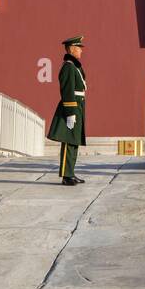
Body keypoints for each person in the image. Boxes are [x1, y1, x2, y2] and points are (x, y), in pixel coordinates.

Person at [47, 35, 87, 186]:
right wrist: (70, 113)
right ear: (71, 49)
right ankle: (66, 175)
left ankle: (71, 172)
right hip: (72, 107)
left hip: (78, 106)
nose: (81, 51)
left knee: (74, 141)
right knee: (68, 142)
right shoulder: (68, 67)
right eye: (78, 48)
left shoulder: (75, 66)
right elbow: (67, 90)